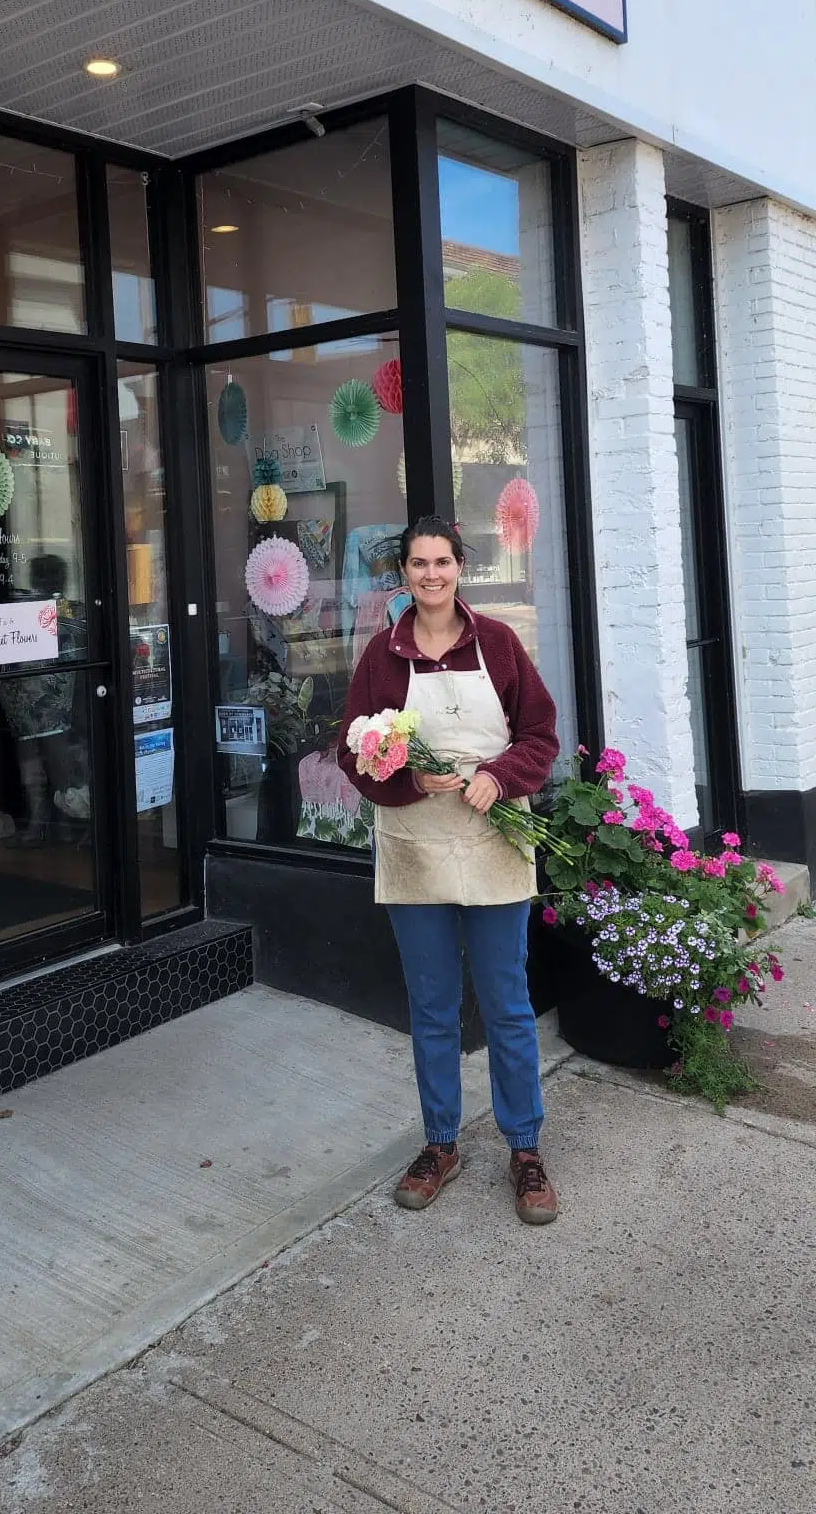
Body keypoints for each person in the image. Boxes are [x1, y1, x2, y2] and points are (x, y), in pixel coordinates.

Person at [338, 516, 560, 1225]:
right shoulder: (382, 654)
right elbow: (354, 753)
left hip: (493, 840)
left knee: (506, 1005)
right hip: (416, 847)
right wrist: (403, 779)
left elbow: (540, 735)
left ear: (460, 568)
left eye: (442, 562)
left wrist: (500, 775)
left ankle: (524, 1148)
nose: (431, 574)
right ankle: (441, 1143)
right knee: (432, 1009)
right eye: (418, 564)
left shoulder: (497, 644)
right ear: (402, 575)